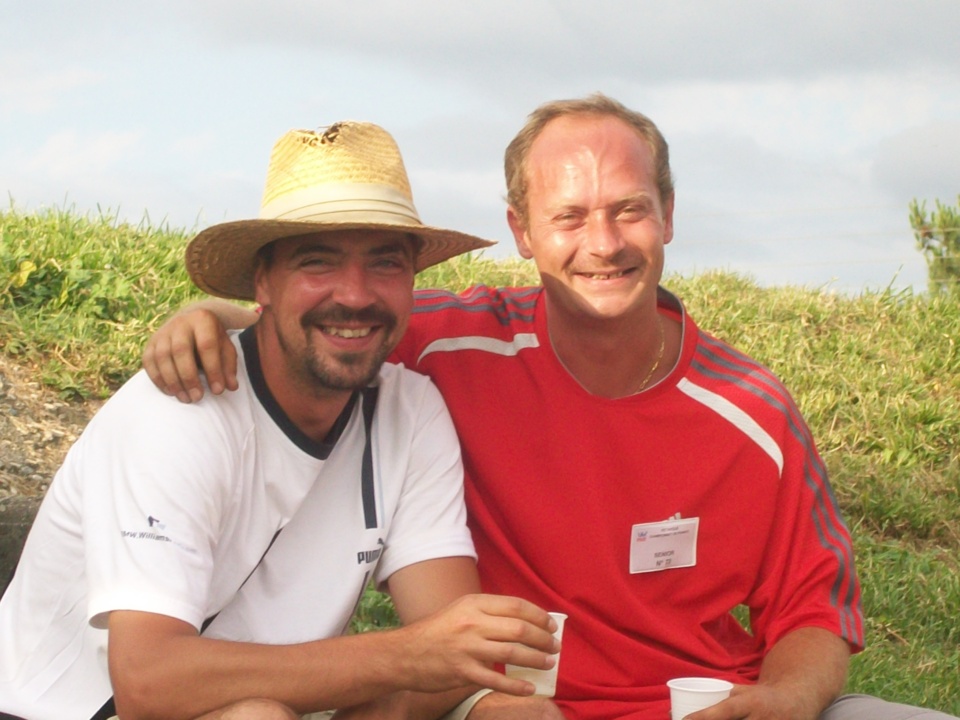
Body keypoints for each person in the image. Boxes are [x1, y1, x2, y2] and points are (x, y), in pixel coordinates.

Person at [140, 97, 957, 720]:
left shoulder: (754, 410)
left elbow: (815, 610)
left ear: (668, 214)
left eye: (628, 209)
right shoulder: (452, 346)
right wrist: (209, 317)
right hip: (508, 697)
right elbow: (338, 318)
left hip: (703, 703)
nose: (602, 244)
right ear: (522, 231)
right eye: (568, 216)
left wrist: (784, 699)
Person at [0, 121, 562, 720]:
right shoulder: (179, 404)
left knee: (515, 713)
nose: (355, 294)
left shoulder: (411, 410)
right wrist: (411, 656)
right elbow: (148, 684)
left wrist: (432, 662)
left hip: (279, 706)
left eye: (385, 264)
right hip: (67, 709)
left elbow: (451, 649)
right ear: (262, 282)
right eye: (317, 263)